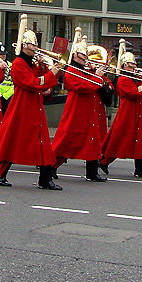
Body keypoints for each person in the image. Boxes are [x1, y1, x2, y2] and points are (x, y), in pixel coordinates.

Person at [0, 14, 63, 189]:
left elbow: (39, 80)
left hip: (34, 107)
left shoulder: (31, 63)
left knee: (43, 143)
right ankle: (0, 173)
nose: (35, 48)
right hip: (22, 108)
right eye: (32, 45)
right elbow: (31, 83)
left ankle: (45, 179)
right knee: (14, 142)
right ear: (24, 46)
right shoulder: (18, 64)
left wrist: (46, 69)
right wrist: (50, 74)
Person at [51, 31, 111, 182]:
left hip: (88, 110)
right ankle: (51, 166)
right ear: (76, 55)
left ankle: (92, 172)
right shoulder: (71, 71)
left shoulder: (82, 70)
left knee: (92, 141)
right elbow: (84, 87)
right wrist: (96, 76)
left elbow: (95, 83)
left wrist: (96, 74)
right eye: (84, 55)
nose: (87, 58)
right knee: (69, 140)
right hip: (76, 111)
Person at [99, 40, 142, 179]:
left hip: (136, 112)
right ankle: (104, 161)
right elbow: (135, 93)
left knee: (140, 141)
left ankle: (140, 169)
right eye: (131, 65)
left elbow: (139, 90)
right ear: (125, 65)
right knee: (121, 140)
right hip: (128, 113)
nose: (134, 67)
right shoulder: (123, 79)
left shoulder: (131, 78)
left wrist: (141, 80)